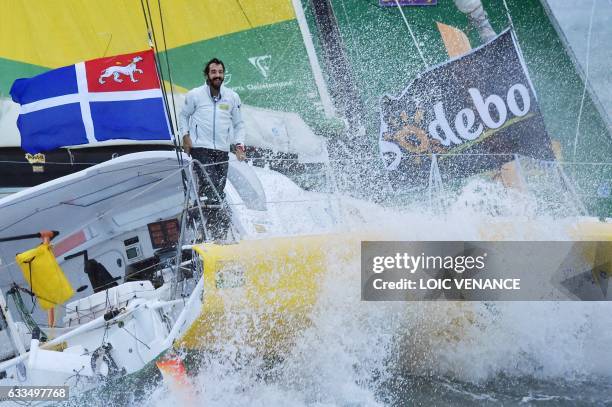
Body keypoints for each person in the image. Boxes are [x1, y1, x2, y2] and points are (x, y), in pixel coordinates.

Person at [179, 58, 246, 238]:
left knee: (218, 188)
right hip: (200, 147)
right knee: (211, 186)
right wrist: (186, 137)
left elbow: (239, 124)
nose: (217, 75)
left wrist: (239, 146)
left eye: (220, 72)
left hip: (222, 150)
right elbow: (183, 116)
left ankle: (206, 226)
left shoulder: (232, 97)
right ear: (207, 75)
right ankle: (219, 229)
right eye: (214, 72)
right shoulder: (195, 95)